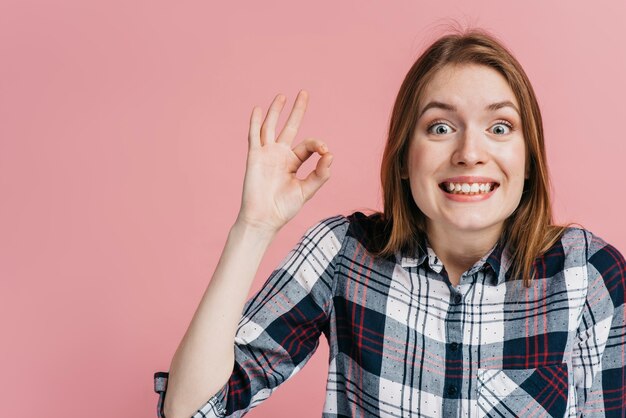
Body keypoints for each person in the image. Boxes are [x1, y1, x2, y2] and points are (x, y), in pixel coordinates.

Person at [154, 28, 626, 418]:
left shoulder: (590, 275)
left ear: (528, 160)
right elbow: (190, 410)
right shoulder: (344, 253)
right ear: (403, 158)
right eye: (440, 127)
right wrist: (253, 226)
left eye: (499, 128)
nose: (469, 153)